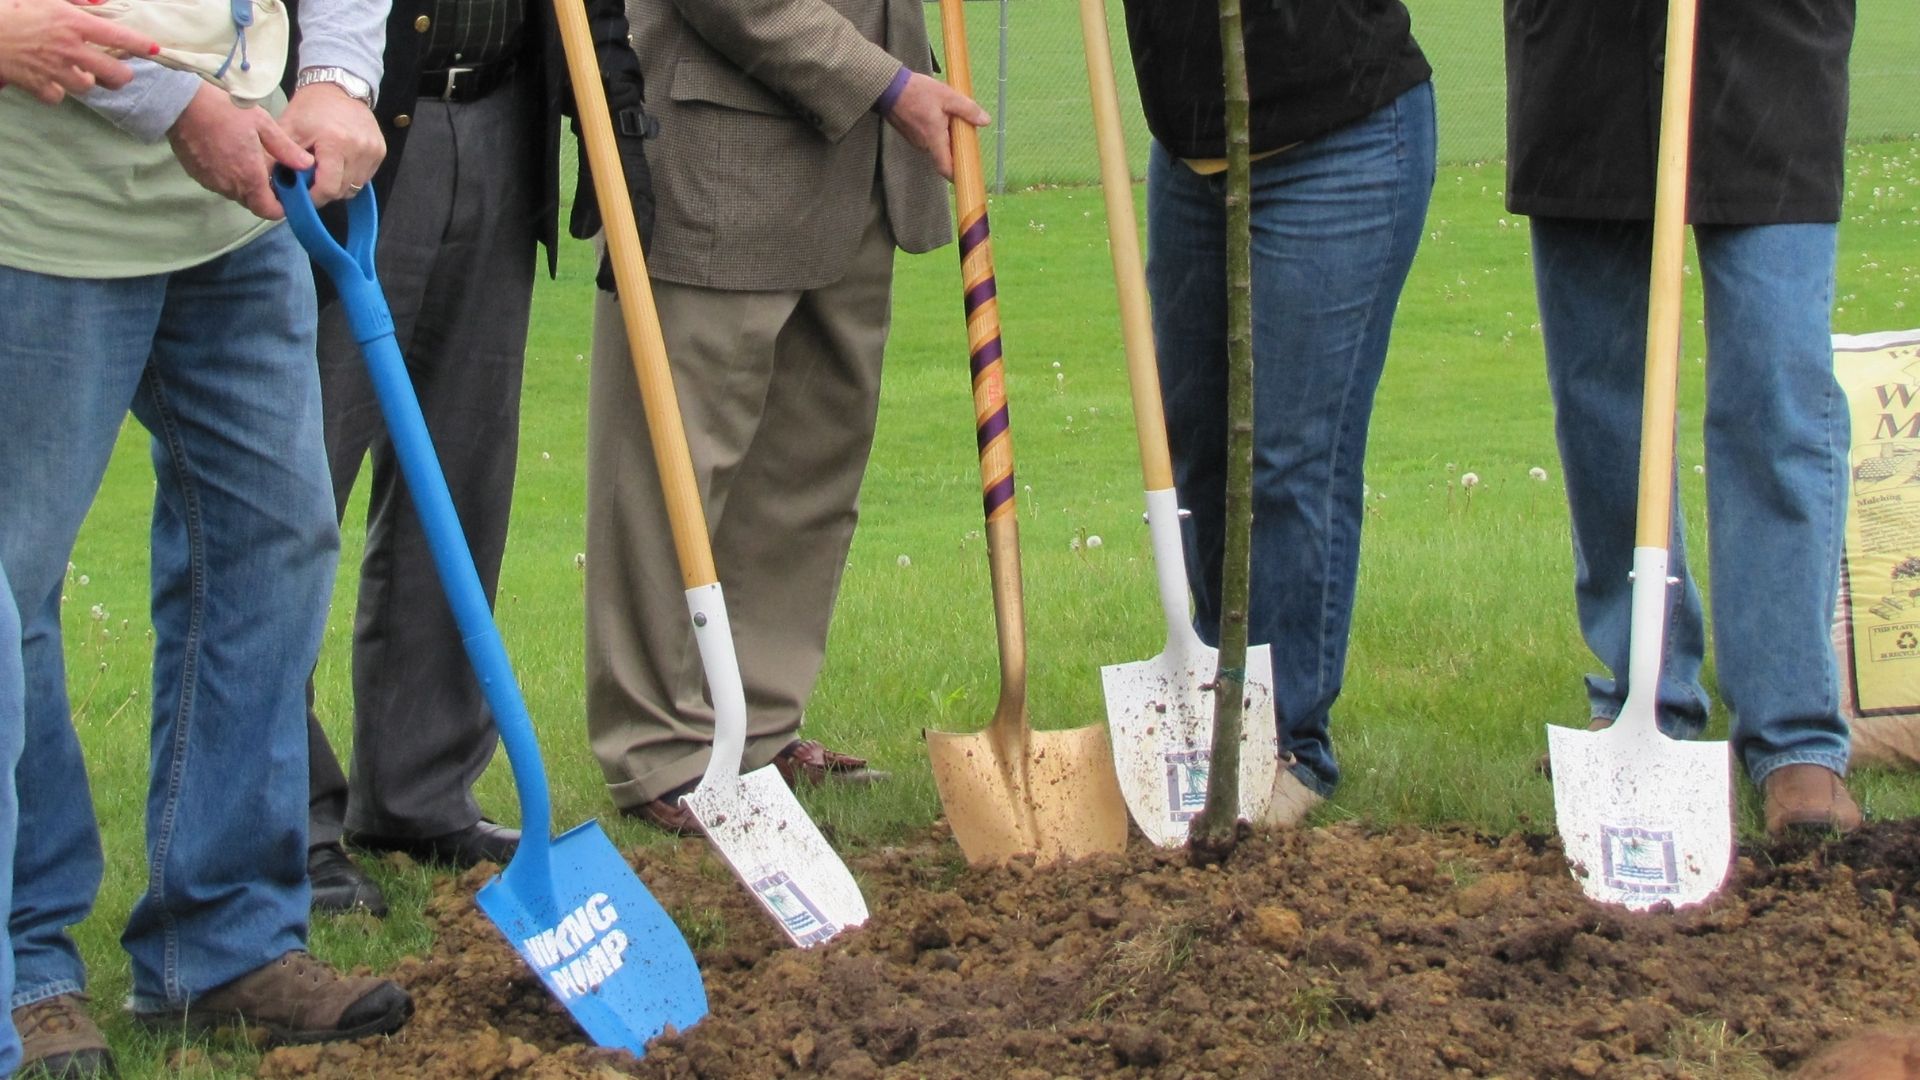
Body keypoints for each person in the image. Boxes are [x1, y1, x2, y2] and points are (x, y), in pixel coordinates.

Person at [0, 4, 415, 1073]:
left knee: (272, 547)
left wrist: (335, 72)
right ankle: (25, 963)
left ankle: (224, 941)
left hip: (235, 211)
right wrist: (173, 101)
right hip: (36, 217)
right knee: (13, 588)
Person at [584, 0, 988, 831]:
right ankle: (661, 748)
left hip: (861, 162)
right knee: (674, 475)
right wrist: (886, 84)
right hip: (721, 159)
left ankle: (759, 728)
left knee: (809, 465)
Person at [295, 0, 648, 916]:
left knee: (459, 484)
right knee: (293, 502)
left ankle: (418, 794)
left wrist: (611, 110)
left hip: (499, 121)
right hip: (353, 130)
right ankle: (278, 820)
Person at [1507, 1, 1861, 835]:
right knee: (1604, 410)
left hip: (1773, 49)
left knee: (1775, 394)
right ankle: (1644, 696)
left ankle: (1793, 735)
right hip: (1584, 57)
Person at [1117, 2, 1435, 824]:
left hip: (1339, 133)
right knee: (1198, 454)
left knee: (1289, 463)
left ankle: (1288, 743)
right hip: (1191, 148)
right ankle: (1224, 726)